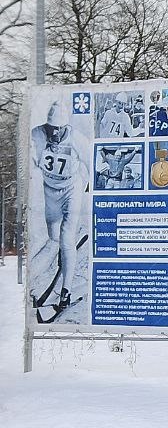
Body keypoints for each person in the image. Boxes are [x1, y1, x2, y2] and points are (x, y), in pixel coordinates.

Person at [30, 100, 87, 312]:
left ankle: (66, 290)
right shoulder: (37, 134)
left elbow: (92, 161)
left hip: (71, 190)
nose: (54, 134)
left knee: (66, 238)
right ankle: (59, 263)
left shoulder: (76, 138)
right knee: (53, 238)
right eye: (51, 128)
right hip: (50, 191)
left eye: (58, 129)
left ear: (66, 127)